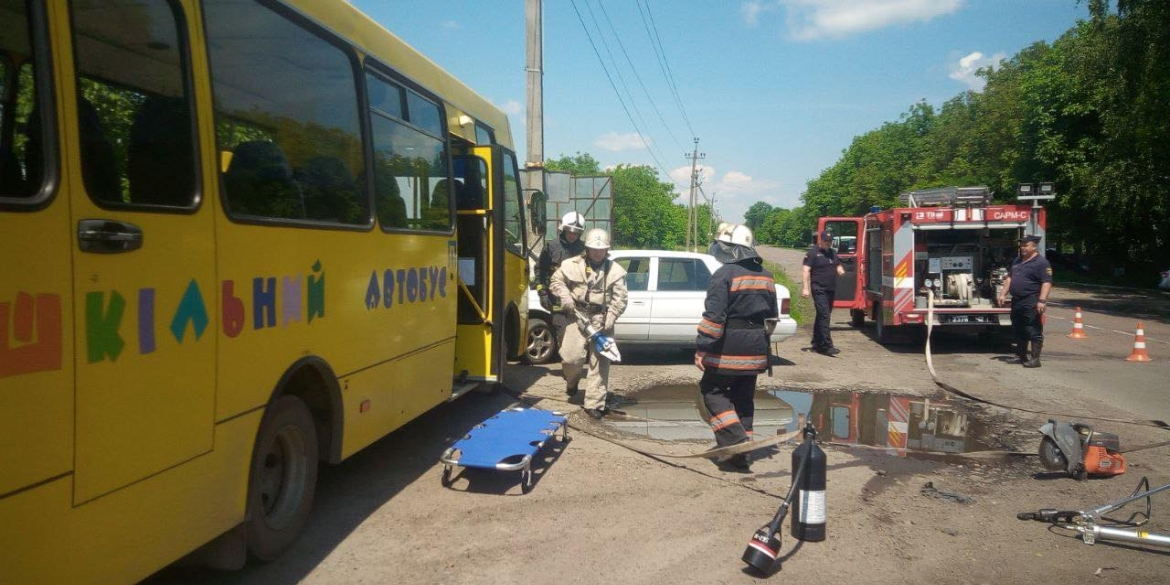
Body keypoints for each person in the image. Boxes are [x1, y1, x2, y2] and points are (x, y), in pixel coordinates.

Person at [696, 224, 778, 472]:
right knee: (743, 397)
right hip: (756, 348)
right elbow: (772, 318)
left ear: (731, 249)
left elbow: (714, 318)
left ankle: (736, 440)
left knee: (711, 390)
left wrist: (702, 347)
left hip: (727, 348)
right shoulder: (767, 275)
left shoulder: (723, 274)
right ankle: (742, 451)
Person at [550, 228, 628, 419]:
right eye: (593, 248)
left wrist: (612, 315)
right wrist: (565, 295)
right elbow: (555, 281)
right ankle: (572, 382)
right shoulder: (571, 265)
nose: (597, 252)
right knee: (570, 358)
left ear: (607, 250)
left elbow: (621, 297)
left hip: (602, 321)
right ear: (587, 247)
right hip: (576, 317)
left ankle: (595, 403)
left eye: (601, 249)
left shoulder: (615, 271)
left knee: (600, 363)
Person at [997, 235, 1053, 368]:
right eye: (1021, 245)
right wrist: (1003, 293)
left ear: (1034, 247)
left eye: (1026, 245)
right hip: (1017, 301)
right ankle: (1021, 356)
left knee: (1033, 329)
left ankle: (1035, 359)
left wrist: (1042, 301)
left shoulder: (1041, 263)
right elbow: (1009, 278)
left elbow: (1047, 282)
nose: (1022, 247)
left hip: (1031, 300)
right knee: (1019, 328)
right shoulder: (1018, 260)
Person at [802, 231, 846, 356]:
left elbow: (837, 265)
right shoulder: (812, 253)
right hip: (818, 288)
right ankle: (827, 346)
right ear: (820, 240)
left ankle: (816, 343)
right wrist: (805, 288)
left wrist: (840, 270)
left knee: (822, 316)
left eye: (830, 241)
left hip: (830, 289)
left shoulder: (832, 253)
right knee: (825, 315)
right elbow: (805, 270)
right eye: (826, 241)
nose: (828, 243)